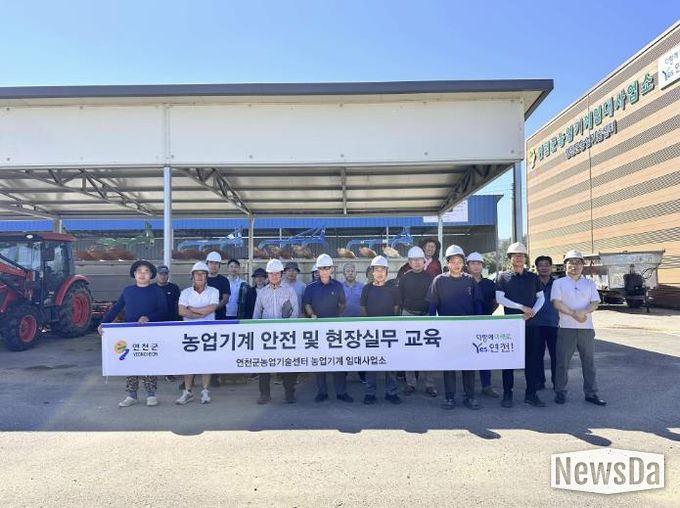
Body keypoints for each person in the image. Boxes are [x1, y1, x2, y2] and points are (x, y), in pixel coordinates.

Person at [100, 260, 168, 408]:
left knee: (148, 362)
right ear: (134, 274)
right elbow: (116, 308)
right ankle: (132, 395)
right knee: (130, 363)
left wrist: (149, 318)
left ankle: (151, 394)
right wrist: (103, 323)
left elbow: (164, 311)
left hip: (149, 333)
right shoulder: (128, 291)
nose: (142, 274)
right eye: (139, 272)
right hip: (129, 334)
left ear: (151, 275)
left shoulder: (157, 291)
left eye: (146, 272)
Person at [427, 245, 482, 410]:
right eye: (453, 261)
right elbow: (432, 306)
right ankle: (449, 397)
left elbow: (477, 304)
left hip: (467, 331)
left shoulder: (470, 280)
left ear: (463, 263)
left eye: (459, 261)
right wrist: (433, 326)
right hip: (447, 331)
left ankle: (470, 397)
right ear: (448, 263)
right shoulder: (439, 281)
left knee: (468, 365)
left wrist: (479, 324)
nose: (456, 265)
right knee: (449, 365)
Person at [551, 250, 606, 406]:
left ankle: (591, 393)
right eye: (571, 262)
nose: (574, 266)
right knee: (562, 362)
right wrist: (575, 314)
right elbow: (556, 303)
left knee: (589, 362)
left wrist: (583, 312)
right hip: (566, 328)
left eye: (578, 262)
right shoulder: (558, 283)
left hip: (586, 329)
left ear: (583, 265)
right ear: (565, 265)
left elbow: (595, 303)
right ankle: (560, 392)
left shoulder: (589, 284)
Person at [495, 242, 546, 408]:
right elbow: (500, 298)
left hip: (531, 324)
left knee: (532, 360)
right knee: (508, 361)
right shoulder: (503, 277)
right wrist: (521, 308)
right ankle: (507, 393)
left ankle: (531, 394)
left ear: (525, 258)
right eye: (515, 255)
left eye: (522, 255)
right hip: (511, 325)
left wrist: (533, 312)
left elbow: (541, 298)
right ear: (510, 258)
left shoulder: (533, 277)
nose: (519, 258)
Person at [303, 253, 353, 403]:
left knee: (338, 361)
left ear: (331, 269)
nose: (324, 271)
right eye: (321, 268)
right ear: (317, 270)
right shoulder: (311, 287)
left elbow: (343, 304)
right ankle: (322, 392)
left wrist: (335, 317)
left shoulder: (338, 286)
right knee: (320, 362)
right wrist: (312, 315)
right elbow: (307, 304)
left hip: (334, 330)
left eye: (327, 268)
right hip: (317, 329)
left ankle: (341, 392)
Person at [253, 259, 300, 404]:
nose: (274, 276)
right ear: (268, 275)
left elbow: (294, 313)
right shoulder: (262, 293)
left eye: (277, 273)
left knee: (287, 365)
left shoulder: (289, 291)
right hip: (266, 336)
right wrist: (256, 332)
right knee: (264, 365)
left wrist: (289, 331)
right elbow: (257, 314)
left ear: (281, 274)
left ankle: (289, 393)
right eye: (271, 274)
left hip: (285, 335)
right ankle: (264, 394)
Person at [176, 261, 219, 405]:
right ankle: (187, 391)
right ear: (192, 276)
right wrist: (200, 314)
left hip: (208, 332)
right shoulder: (185, 292)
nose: (200, 276)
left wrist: (192, 309)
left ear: (207, 276)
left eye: (203, 274)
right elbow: (181, 311)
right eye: (197, 274)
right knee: (188, 362)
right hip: (189, 333)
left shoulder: (214, 291)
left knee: (206, 362)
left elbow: (211, 308)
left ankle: (205, 390)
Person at [361, 256, 402, 404]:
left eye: (382, 270)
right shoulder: (367, 289)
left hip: (389, 333)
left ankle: (391, 392)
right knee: (371, 363)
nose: (379, 273)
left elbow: (396, 308)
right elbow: (363, 308)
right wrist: (369, 325)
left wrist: (390, 325)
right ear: (372, 272)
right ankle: (370, 393)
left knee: (390, 363)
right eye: (376, 270)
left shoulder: (393, 289)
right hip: (371, 333)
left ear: (387, 272)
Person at [399, 246, 437, 397]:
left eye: (419, 259)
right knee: (409, 351)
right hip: (408, 315)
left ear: (424, 261)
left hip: (426, 316)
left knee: (428, 351)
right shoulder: (404, 278)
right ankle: (410, 383)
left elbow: (434, 298)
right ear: (409, 262)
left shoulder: (431, 277)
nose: (416, 262)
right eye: (413, 260)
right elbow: (400, 298)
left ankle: (430, 384)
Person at [466, 252, 500, 398]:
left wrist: (487, 314)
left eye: (479, 263)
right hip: (466, 325)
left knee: (484, 355)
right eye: (473, 263)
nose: (476, 266)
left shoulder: (489, 284)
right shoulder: (462, 282)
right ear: (467, 266)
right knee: (467, 356)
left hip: (485, 324)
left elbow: (495, 302)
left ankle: (487, 386)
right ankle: (468, 388)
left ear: (482, 266)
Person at [533, 255, 559, 390]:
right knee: (537, 355)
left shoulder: (557, 284)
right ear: (536, 268)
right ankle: (539, 381)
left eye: (546, 265)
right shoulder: (532, 283)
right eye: (541, 265)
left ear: (551, 267)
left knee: (556, 355)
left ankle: (557, 382)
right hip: (536, 324)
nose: (544, 268)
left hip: (554, 324)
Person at [341, 262, 366, 383]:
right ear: (344, 273)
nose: (350, 273)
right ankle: (343, 374)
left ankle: (362, 375)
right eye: (348, 271)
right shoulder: (339, 287)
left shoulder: (362, 287)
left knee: (360, 350)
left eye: (352, 271)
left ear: (356, 273)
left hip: (359, 322)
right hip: (343, 323)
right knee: (344, 350)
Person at [206, 251, 231, 320]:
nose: (214, 265)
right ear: (207, 264)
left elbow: (225, 300)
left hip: (220, 317)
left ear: (219, 265)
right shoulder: (201, 280)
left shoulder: (224, 280)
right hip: (203, 317)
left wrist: (211, 309)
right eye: (211, 263)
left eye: (216, 263)